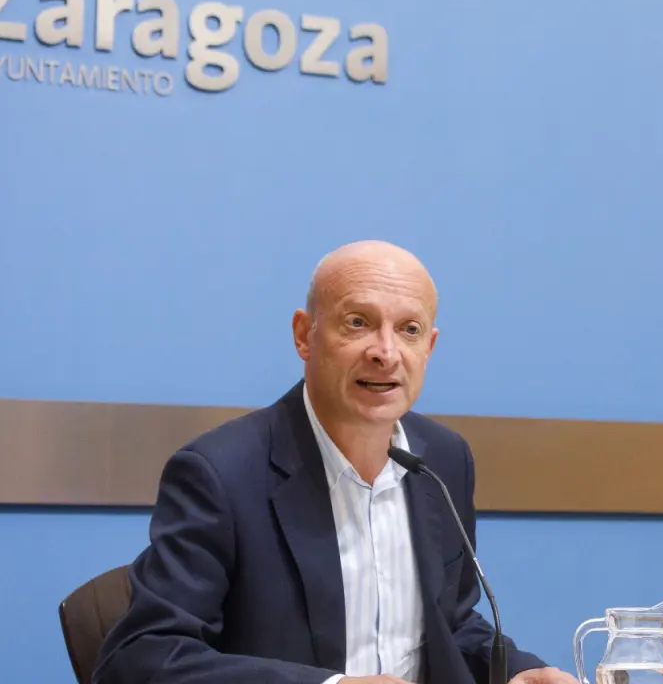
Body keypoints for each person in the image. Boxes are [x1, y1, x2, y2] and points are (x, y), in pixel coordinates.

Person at [93, 240, 578, 684]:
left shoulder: (443, 459)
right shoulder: (220, 474)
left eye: (408, 330)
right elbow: (141, 655)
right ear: (304, 335)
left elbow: (448, 621)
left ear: (428, 348)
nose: (385, 353)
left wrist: (515, 670)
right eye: (358, 323)